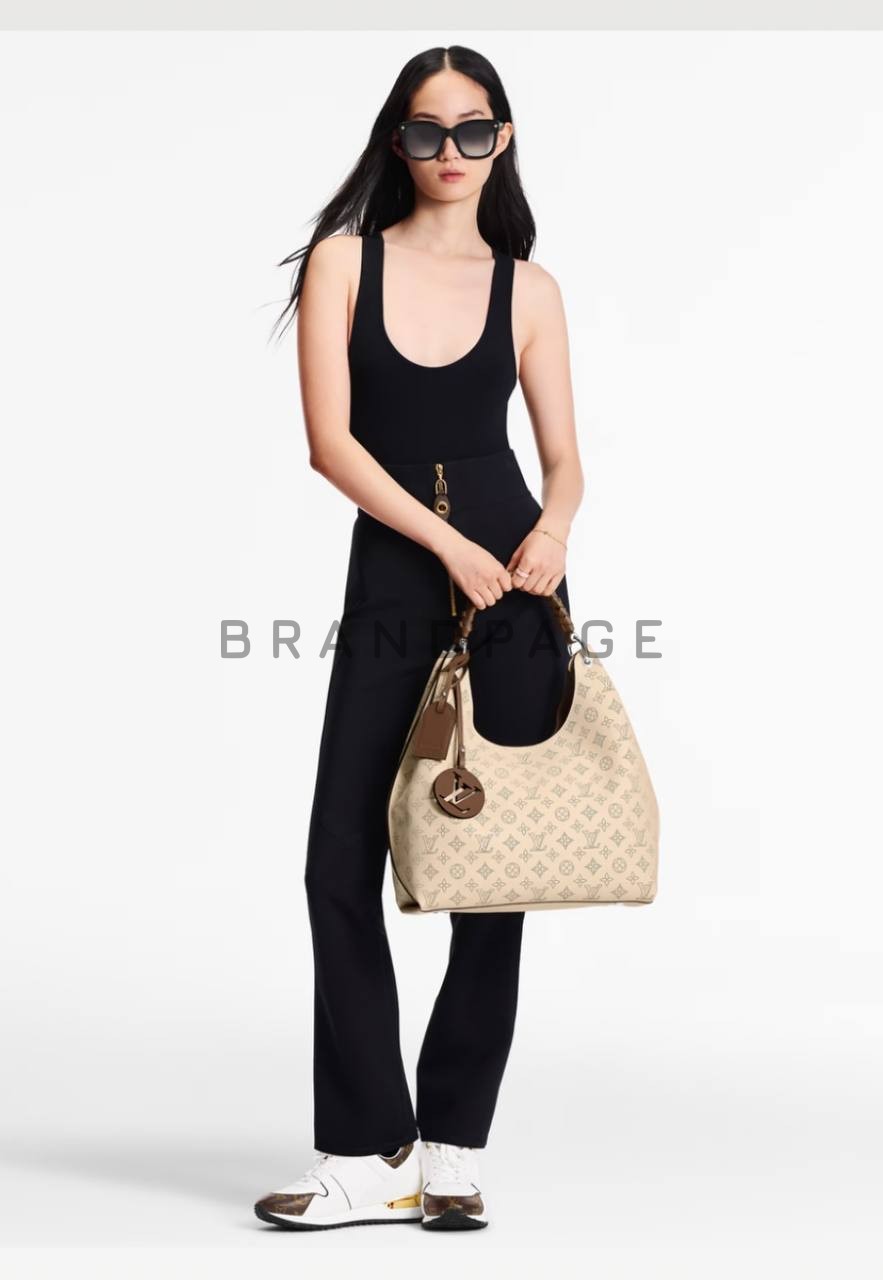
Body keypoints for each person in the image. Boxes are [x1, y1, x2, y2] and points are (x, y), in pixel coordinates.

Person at [255, 44, 585, 1233]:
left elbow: (564, 460)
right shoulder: (343, 261)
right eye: (426, 130)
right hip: (404, 567)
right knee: (338, 853)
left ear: (504, 139)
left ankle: (449, 1146)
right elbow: (331, 445)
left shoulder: (528, 288)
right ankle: (365, 1148)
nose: (451, 152)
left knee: (495, 865)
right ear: (395, 141)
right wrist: (446, 546)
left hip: (516, 580)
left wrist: (550, 531)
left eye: (473, 129)